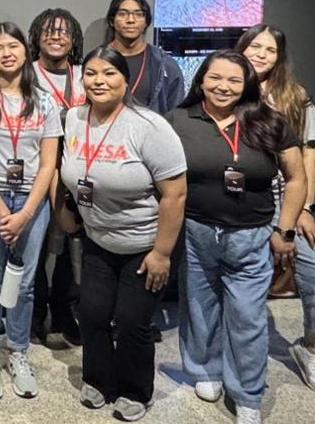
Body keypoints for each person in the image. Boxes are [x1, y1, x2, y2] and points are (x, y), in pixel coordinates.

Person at [169, 50, 306, 424]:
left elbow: (296, 179)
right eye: (215, 78)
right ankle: (205, 370)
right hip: (196, 231)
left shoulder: (269, 121)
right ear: (201, 80)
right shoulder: (180, 119)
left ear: (246, 84)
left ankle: (247, 392)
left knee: (247, 318)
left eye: (233, 80)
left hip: (251, 236)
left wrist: (286, 229)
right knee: (199, 309)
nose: (223, 87)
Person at [53, 46, 187, 422]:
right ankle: (97, 379)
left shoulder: (149, 126)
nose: (99, 81)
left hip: (146, 246)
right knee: (92, 313)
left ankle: (134, 390)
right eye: (92, 74)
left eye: (109, 74)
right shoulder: (74, 119)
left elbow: (175, 194)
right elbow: (70, 173)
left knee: (131, 321)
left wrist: (161, 253)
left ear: (125, 81)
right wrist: (66, 212)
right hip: (98, 240)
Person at [0, 21, 62, 400]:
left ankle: (19, 351)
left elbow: (49, 163)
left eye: (13, 46)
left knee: (25, 281)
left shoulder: (46, 100)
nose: (7, 52)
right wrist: (6, 212)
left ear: (25, 51)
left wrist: (26, 212)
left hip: (32, 201)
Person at [238, 25, 315, 395]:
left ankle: (311, 348)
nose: (261, 54)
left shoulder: (294, 96)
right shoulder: (230, 86)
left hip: (288, 199)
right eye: (255, 46)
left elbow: (310, 154)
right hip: (242, 198)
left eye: (270, 49)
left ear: (279, 56)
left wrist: (305, 207)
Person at [27, 8, 86, 347]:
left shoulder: (86, 74)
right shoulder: (26, 74)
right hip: (37, 169)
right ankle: (35, 312)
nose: (55, 36)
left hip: (80, 170)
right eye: (48, 30)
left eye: (63, 31)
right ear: (36, 36)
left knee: (69, 243)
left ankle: (63, 311)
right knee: (36, 242)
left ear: (73, 39)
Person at [103, 0, 183, 114]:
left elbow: (176, 115)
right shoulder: (96, 61)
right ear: (112, 20)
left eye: (138, 14)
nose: (130, 20)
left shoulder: (165, 65)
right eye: (123, 14)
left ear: (146, 22)